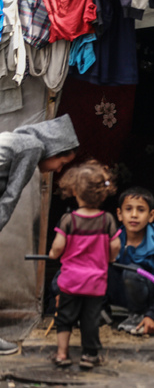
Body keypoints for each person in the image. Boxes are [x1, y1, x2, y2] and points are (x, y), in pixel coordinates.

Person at [0, 114, 79, 356]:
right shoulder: (32, 147)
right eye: (62, 163)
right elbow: (10, 196)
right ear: (53, 149)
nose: (58, 170)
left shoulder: (13, 139)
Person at [48, 160, 120, 368]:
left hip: (70, 280)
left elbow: (58, 246)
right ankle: (89, 355)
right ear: (102, 194)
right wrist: (110, 258)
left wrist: (53, 254)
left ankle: (62, 354)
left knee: (64, 317)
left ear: (75, 192)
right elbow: (115, 246)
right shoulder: (107, 220)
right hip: (95, 282)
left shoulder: (68, 220)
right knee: (90, 319)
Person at [107, 186, 154, 336]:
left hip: (147, 299)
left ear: (151, 216)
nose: (134, 215)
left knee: (131, 272)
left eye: (141, 210)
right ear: (119, 214)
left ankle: (138, 315)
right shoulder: (113, 241)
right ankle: (97, 310)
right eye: (128, 209)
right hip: (119, 296)